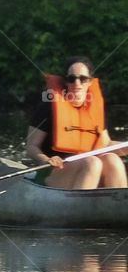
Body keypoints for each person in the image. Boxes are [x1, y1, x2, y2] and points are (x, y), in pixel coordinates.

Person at [26, 56, 127, 189]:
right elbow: (31, 146)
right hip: (53, 172)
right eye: (71, 79)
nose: (77, 83)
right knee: (92, 163)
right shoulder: (48, 106)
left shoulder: (95, 108)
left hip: (88, 169)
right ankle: (80, 208)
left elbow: (106, 144)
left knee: (112, 159)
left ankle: (119, 203)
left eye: (83, 79)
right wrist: (47, 160)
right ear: (66, 82)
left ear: (90, 81)